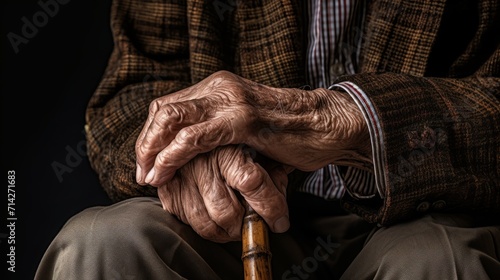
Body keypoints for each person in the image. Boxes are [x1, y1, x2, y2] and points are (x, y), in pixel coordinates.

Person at [35, 0, 500, 279]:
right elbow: (136, 84)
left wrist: (347, 121)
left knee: (442, 263)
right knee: (103, 245)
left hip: (423, 207)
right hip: (230, 220)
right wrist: (186, 140)